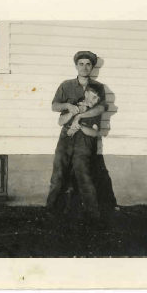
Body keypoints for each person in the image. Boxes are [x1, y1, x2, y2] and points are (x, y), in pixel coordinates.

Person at [46, 51, 108, 220]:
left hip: (85, 139)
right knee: (58, 175)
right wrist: (67, 105)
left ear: (92, 67)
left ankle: (93, 216)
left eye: (88, 64)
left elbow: (101, 108)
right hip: (66, 136)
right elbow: (54, 106)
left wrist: (80, 116)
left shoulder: (98, 87)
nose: (84, 67)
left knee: (85, 176)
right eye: (81, 64)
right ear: (76, 66)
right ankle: (51, 212)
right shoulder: (66, 85)